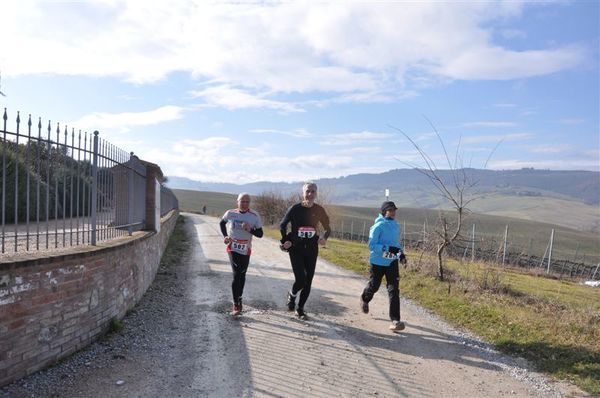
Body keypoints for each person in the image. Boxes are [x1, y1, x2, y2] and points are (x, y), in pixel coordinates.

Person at [279, 182, 331, 320]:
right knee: (301, 279)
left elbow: (328, 228)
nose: (310, 194)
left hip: (312, 249)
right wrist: (285, 241)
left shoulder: (319, 209)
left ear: (316, 193)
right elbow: (283, 225)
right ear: (303, 193)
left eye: (313, 191)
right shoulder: (295, 209)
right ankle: (292, 294)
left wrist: (324, 237)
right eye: (308, 191)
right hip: (296, 248)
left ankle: (300, 308)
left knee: (309, 280)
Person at [360, 201, 407, 331]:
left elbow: (395, 244)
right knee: (374, 285)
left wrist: (401, 254)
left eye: (394, 210)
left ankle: (395, 320)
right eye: (391, 210)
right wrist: (387, 248)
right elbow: (371, 245)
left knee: (394, 290)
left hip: (391, 262)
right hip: (377, 262)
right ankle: (365, 298)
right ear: (384, 211)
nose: (393, 212)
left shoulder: (396, 226)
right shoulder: (378, 226)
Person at [220, 193, 263, 315]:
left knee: (242, 274)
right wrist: (225, 236)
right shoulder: (230, 213)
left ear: (249, 203)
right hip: (232, 247)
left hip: (245, 249)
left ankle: (239, 298)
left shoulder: (254, 216)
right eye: (242, 201)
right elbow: (222, 223)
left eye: (247, 202)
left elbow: (260, 234)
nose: (244, 204)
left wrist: (251, 230)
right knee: (236, 273)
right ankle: (235, 304)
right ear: (237, 202)